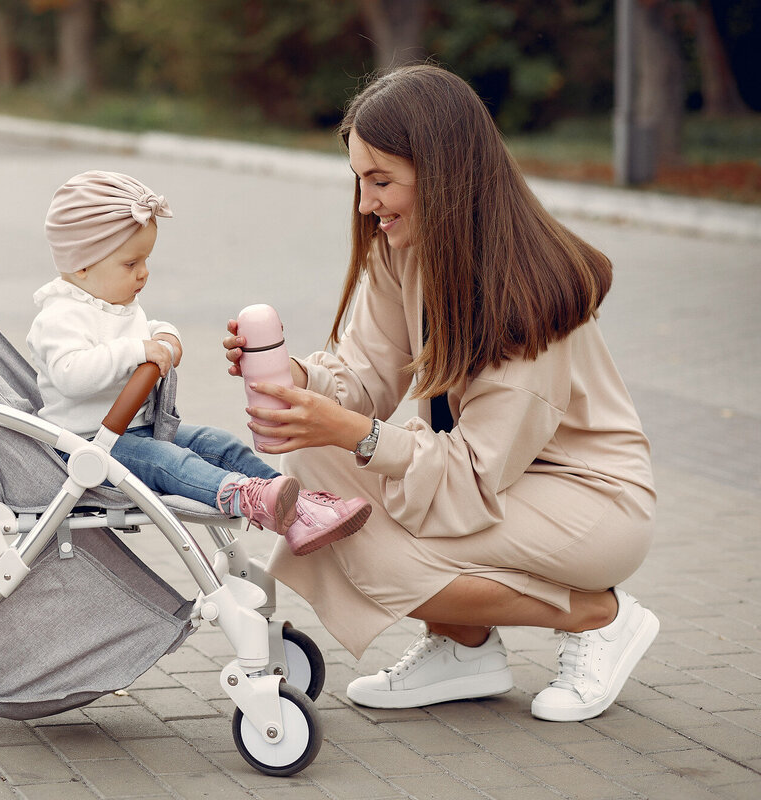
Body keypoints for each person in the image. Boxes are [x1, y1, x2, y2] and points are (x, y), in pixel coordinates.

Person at [222, 65, 658, 722]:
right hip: (492, 478)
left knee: (370, 551)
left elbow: (472, 474)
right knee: (314, 471)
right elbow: (366, 379)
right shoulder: (403, 248)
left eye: (382, 180)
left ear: (445, 173)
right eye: (360, 180)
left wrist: (355, 435)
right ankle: (466, 648)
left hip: (588, 500)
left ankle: (601, 614)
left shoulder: (527, 296)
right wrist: (298, 382)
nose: (367, 203)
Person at [29, 170, 372, 555]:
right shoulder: (59, 317)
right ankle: (241, 496)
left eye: (146, 260)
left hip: (135, 431)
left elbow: (146, 328)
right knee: (167, 461)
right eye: (131, 264)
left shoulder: (112, 299)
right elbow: (70, 374)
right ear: (82, 265)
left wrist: (165, 336)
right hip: (88, 446)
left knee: (216, 442)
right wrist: (138, 352)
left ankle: (301, 510)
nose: (144, 272)